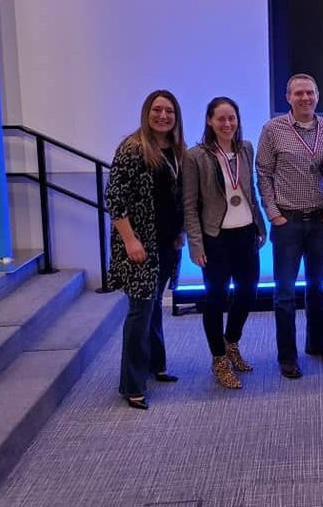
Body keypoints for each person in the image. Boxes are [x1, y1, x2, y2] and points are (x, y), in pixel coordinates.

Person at [256, 73, 323, 379]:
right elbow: (263, 173)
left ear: (318, 95)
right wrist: (273, 213)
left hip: (321, 220)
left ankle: (319, 344)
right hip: (287, 222)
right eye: (298, 93)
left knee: (318, 288)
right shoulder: (272, 129)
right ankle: (287, 357)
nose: (305, 98)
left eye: (310, 92)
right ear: (288, 97)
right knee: (285, 294)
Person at [105, 89, 185, 410]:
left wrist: (179, 233)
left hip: (166, 243)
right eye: (157, 110)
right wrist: (129, 240)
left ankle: (156, 365)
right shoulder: (132, 148)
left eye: (169, 111)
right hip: (139, 246)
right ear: (146, 113)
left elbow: (173, 198)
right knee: (140, 313)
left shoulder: (175, 149)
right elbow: (114, 199)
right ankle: (132, 385)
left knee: (153, 308)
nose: (163, 116)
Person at [182, 97, 267, 389]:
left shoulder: (246, 148)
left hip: (245, 234)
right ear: (209, 120)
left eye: (232, 118)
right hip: (214, 238)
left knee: (247, 293)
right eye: (221, 119)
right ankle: (218, 358)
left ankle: (231, 342)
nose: (227, 124)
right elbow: (190, 204)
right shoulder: (195, 156)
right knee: (215, 298)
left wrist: (260, 225)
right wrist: (195, 244)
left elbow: (249, 190)